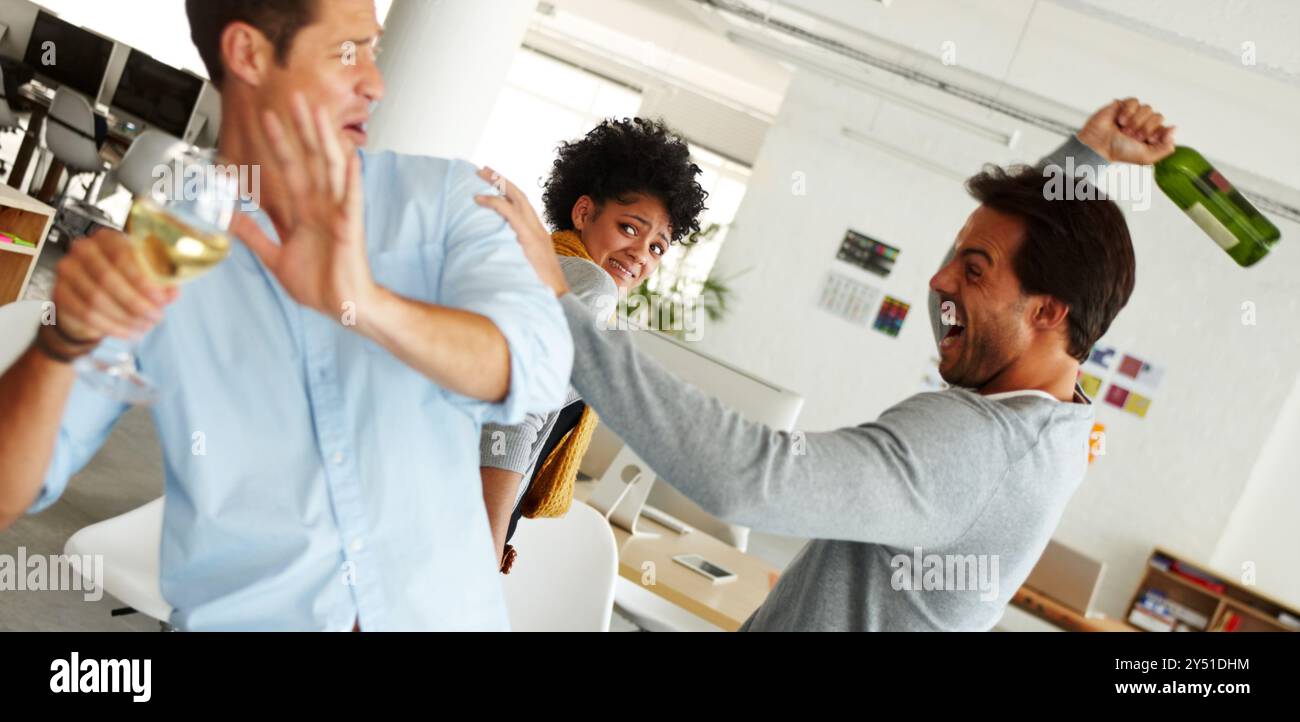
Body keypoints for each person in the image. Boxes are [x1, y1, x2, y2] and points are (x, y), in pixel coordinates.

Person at [485, 97, 1175, 630]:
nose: (937, 283)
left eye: (972, 268)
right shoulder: (1055, 419)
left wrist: (558, 308)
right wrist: (1084, 157)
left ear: (1049, 312)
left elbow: (745, 477)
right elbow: (1043, 269)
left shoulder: (976, 446)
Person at [0, 0, 573, 631]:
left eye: (373, 51)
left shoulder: (449, 204)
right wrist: (57, 347)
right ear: (249, 55)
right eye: (346, 51)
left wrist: (367, 302)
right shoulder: (162, 250)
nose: (375, 82)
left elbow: (536, 369)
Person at [473, 117, 708, 571]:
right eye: (630, 228)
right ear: (583, 213)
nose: (641, 254)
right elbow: (517, 417)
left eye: (658, 247)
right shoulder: (590, 287)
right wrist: (487, 541)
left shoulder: (537, 262)